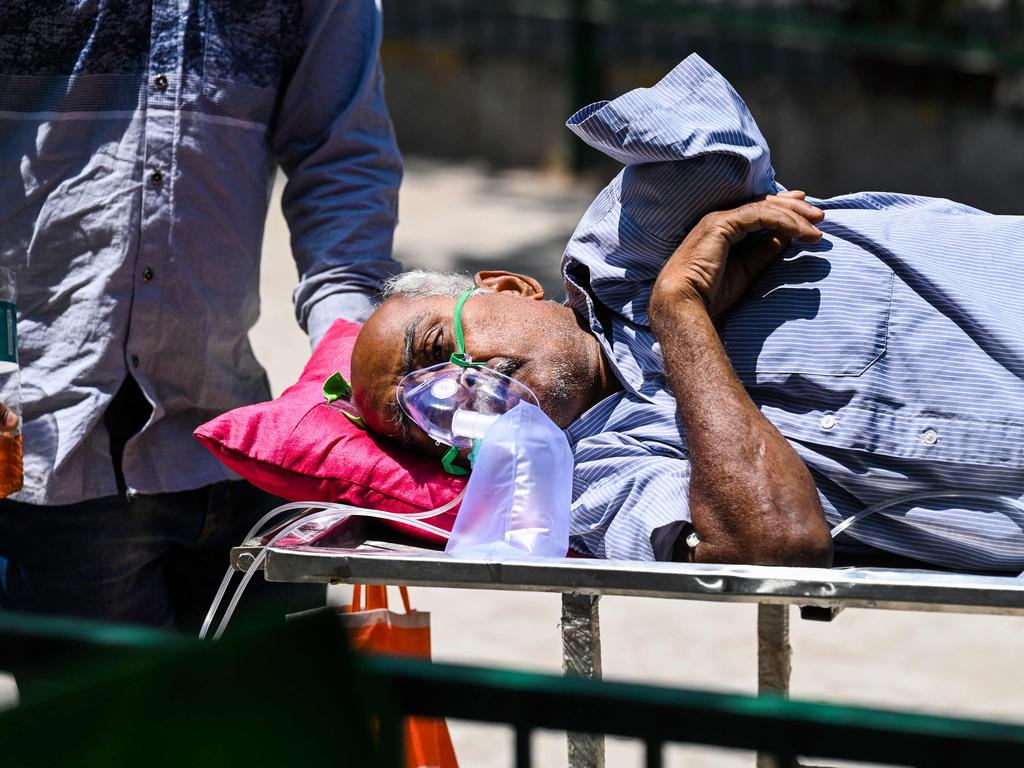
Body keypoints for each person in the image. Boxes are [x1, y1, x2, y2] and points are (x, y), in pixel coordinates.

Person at [350, 55, 1024, 573]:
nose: (454, 393)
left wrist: (657, 284)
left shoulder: (618, 257)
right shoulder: (599, 483)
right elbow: (773, 549)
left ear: (509, 287)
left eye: (437, 348)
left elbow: (713, 142)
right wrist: (681, 316)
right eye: (424, 421)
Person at [0, 0, 402, 628]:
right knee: (106, 729)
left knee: (272, 722)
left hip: (242, 448)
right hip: (46, 449)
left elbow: (341, 157)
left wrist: (353, 353)